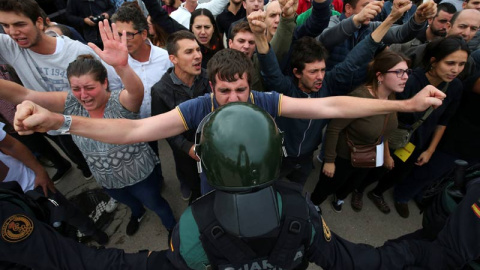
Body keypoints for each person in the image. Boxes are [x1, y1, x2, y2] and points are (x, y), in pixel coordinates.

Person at [2, 103, 471, 270]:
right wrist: (435, 246)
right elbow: (361, 259)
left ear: (205, 159)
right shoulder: (301, 210)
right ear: (275, 153)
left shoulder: (192, 224)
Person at [1, 20, 176, 237]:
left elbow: (136, 92)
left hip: (139, 175)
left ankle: (171, 227)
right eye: (76, 88)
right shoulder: (72, 103)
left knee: (156, 203)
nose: (83, 95)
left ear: (104, 83)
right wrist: (27, 106)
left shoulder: (120, 102)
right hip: (106, 179)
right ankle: (137, 212)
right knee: (129, 202)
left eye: (89, 87)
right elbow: (26, 95)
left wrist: (122, 67)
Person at [362, 36, 468, 217]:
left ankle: (377, 193)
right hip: (388, 136)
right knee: (375, 166)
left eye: (461, 64)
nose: (455, 70)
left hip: (416, 142)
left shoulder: (455, 87)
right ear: (434, 61)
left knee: (398, 172)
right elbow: (387, 116)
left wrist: (430, 150)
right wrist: (386, 152)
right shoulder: (409, 80)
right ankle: (358, 190)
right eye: (450, 63)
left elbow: (444, 121)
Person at [312, 50, 409, 212]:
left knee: (353, 182)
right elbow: (334, 128)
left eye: (406, 72)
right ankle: (313, 204)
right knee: (330, 183)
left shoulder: (391, 97)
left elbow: (385, 130)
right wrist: (329, 161)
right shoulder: (359, 98)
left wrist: (385, 154)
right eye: (399, 72)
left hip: (370, 154)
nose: (405, 77)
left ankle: (340, 197)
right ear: (380, 76)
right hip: (345, 155)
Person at [0, 120, 108, 245]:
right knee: (39, 234)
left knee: (66, 210)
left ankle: (91, 231)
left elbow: (11, 145)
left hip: (29, 183)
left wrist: (39, 171)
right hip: (8, 204)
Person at [151, 30, 211, 203]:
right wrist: (187, 147)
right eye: (189, 52)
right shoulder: (160, 91)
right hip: (185, 153)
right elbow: (164, 130)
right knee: (192, 182)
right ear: (173, 59)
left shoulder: (209, 77)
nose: (197, 56)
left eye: (198, 50)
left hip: (211, 145)